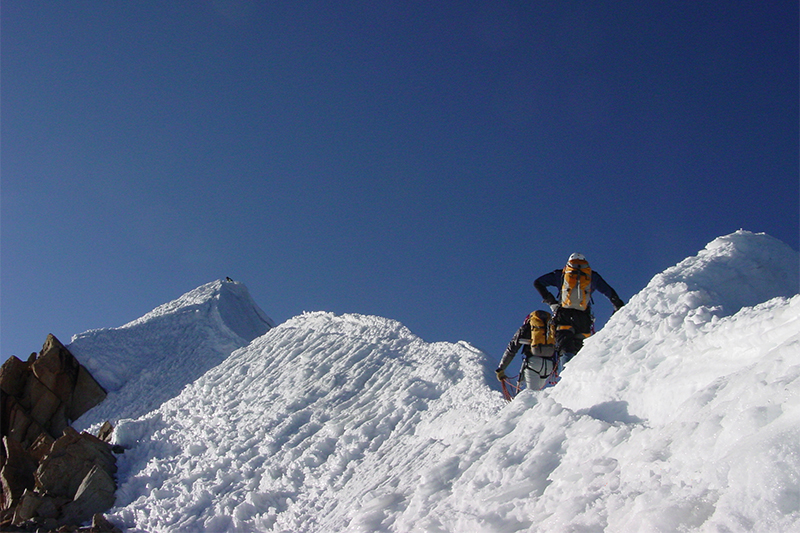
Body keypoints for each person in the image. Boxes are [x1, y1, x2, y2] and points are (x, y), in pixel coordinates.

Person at [534, 253, 624, 363]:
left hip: (564, 315)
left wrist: (551, 302)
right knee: (581, 351)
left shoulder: (560, 274)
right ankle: (582, 376)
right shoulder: (592, 275)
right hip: (583, 318)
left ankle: (567, 378)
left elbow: (538, 283)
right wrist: (617, 306)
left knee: (565, 349)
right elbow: (610, 292)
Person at [495, 310, 557, 391]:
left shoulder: (527, 327)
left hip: (533, 363)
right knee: (539, 393)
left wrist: (501, 369)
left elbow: (512, 348)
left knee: (532, 394)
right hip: (549, 366)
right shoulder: (551, 328)